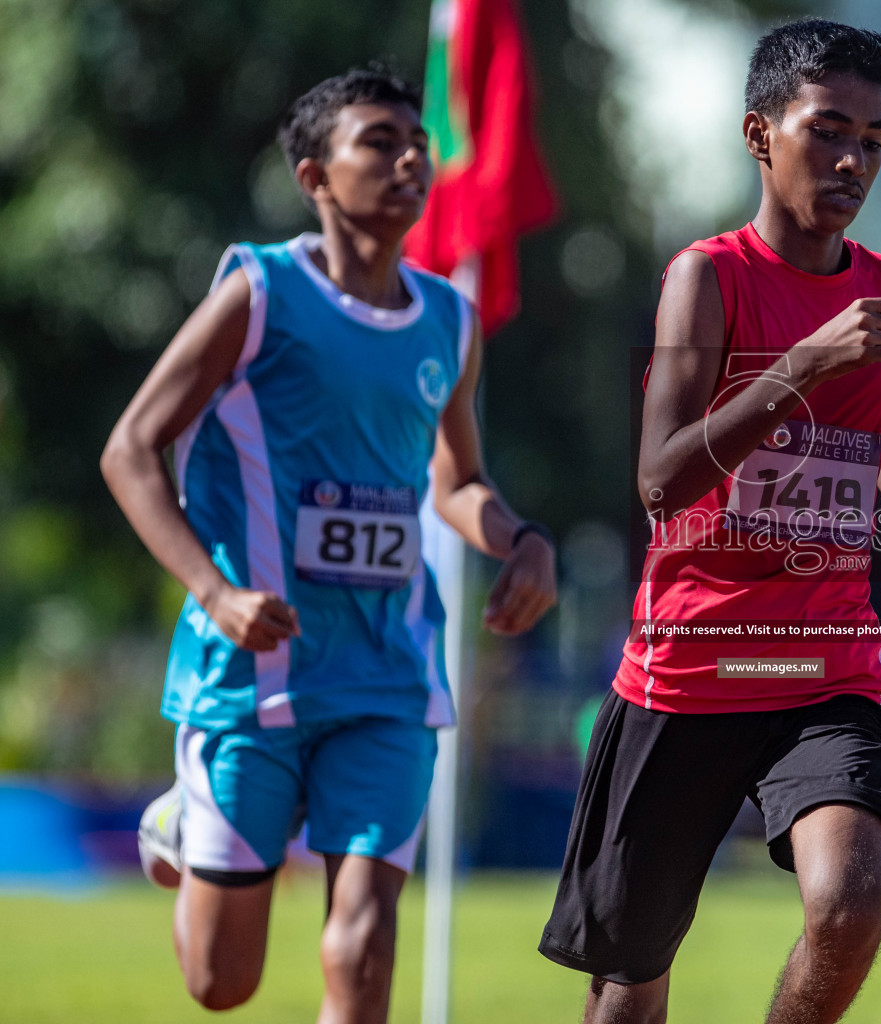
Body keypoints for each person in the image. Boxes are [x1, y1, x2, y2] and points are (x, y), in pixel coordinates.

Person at [100, 68, 556, 1023]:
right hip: (252, 672)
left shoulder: (449, 319)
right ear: (315, 175)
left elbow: (456, 481)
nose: (408, 161)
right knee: (221, 985)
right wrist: (215, 593)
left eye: (416, 146)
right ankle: (184, 818)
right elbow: (131, 451)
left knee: (363, 942)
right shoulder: (259, 293)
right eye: (378, 143)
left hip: (386, 674)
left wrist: (520, 541)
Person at [537, 18, 881, 1024]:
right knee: (628, 989)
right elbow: (661, 479)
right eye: (829, 131)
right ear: (760, 134)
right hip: (689, 664)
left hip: (827, 658)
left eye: (876, 137)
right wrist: (802, 364)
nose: (855, 158)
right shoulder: (707, 279)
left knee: (850, 901)